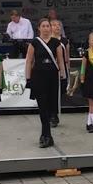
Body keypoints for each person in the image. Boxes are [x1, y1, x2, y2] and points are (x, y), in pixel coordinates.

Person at [25, 18, 65, 148]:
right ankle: (46, 135)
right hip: (38, 78)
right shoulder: (34, 43)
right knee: (42, 107)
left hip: (53, 78)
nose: (46, 28)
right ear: (39, 28)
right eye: (44, 26)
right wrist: (28, 79)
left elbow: (60, 61)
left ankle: (45, 135)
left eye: (48, 26)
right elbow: (29, 61)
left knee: (50, 107)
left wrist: (64, 77)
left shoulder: (56, 43)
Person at [49, 19, 70, 127]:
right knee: (52, 92)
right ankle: (53, 114)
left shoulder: (65, 41)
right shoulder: (48, 40)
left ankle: (54, 111)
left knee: (60, 91)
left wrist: (67, 71)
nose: (57, 27)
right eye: (54, 25)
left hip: (62, 70)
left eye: (59, 25)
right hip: (51, 69)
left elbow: (67, 57)